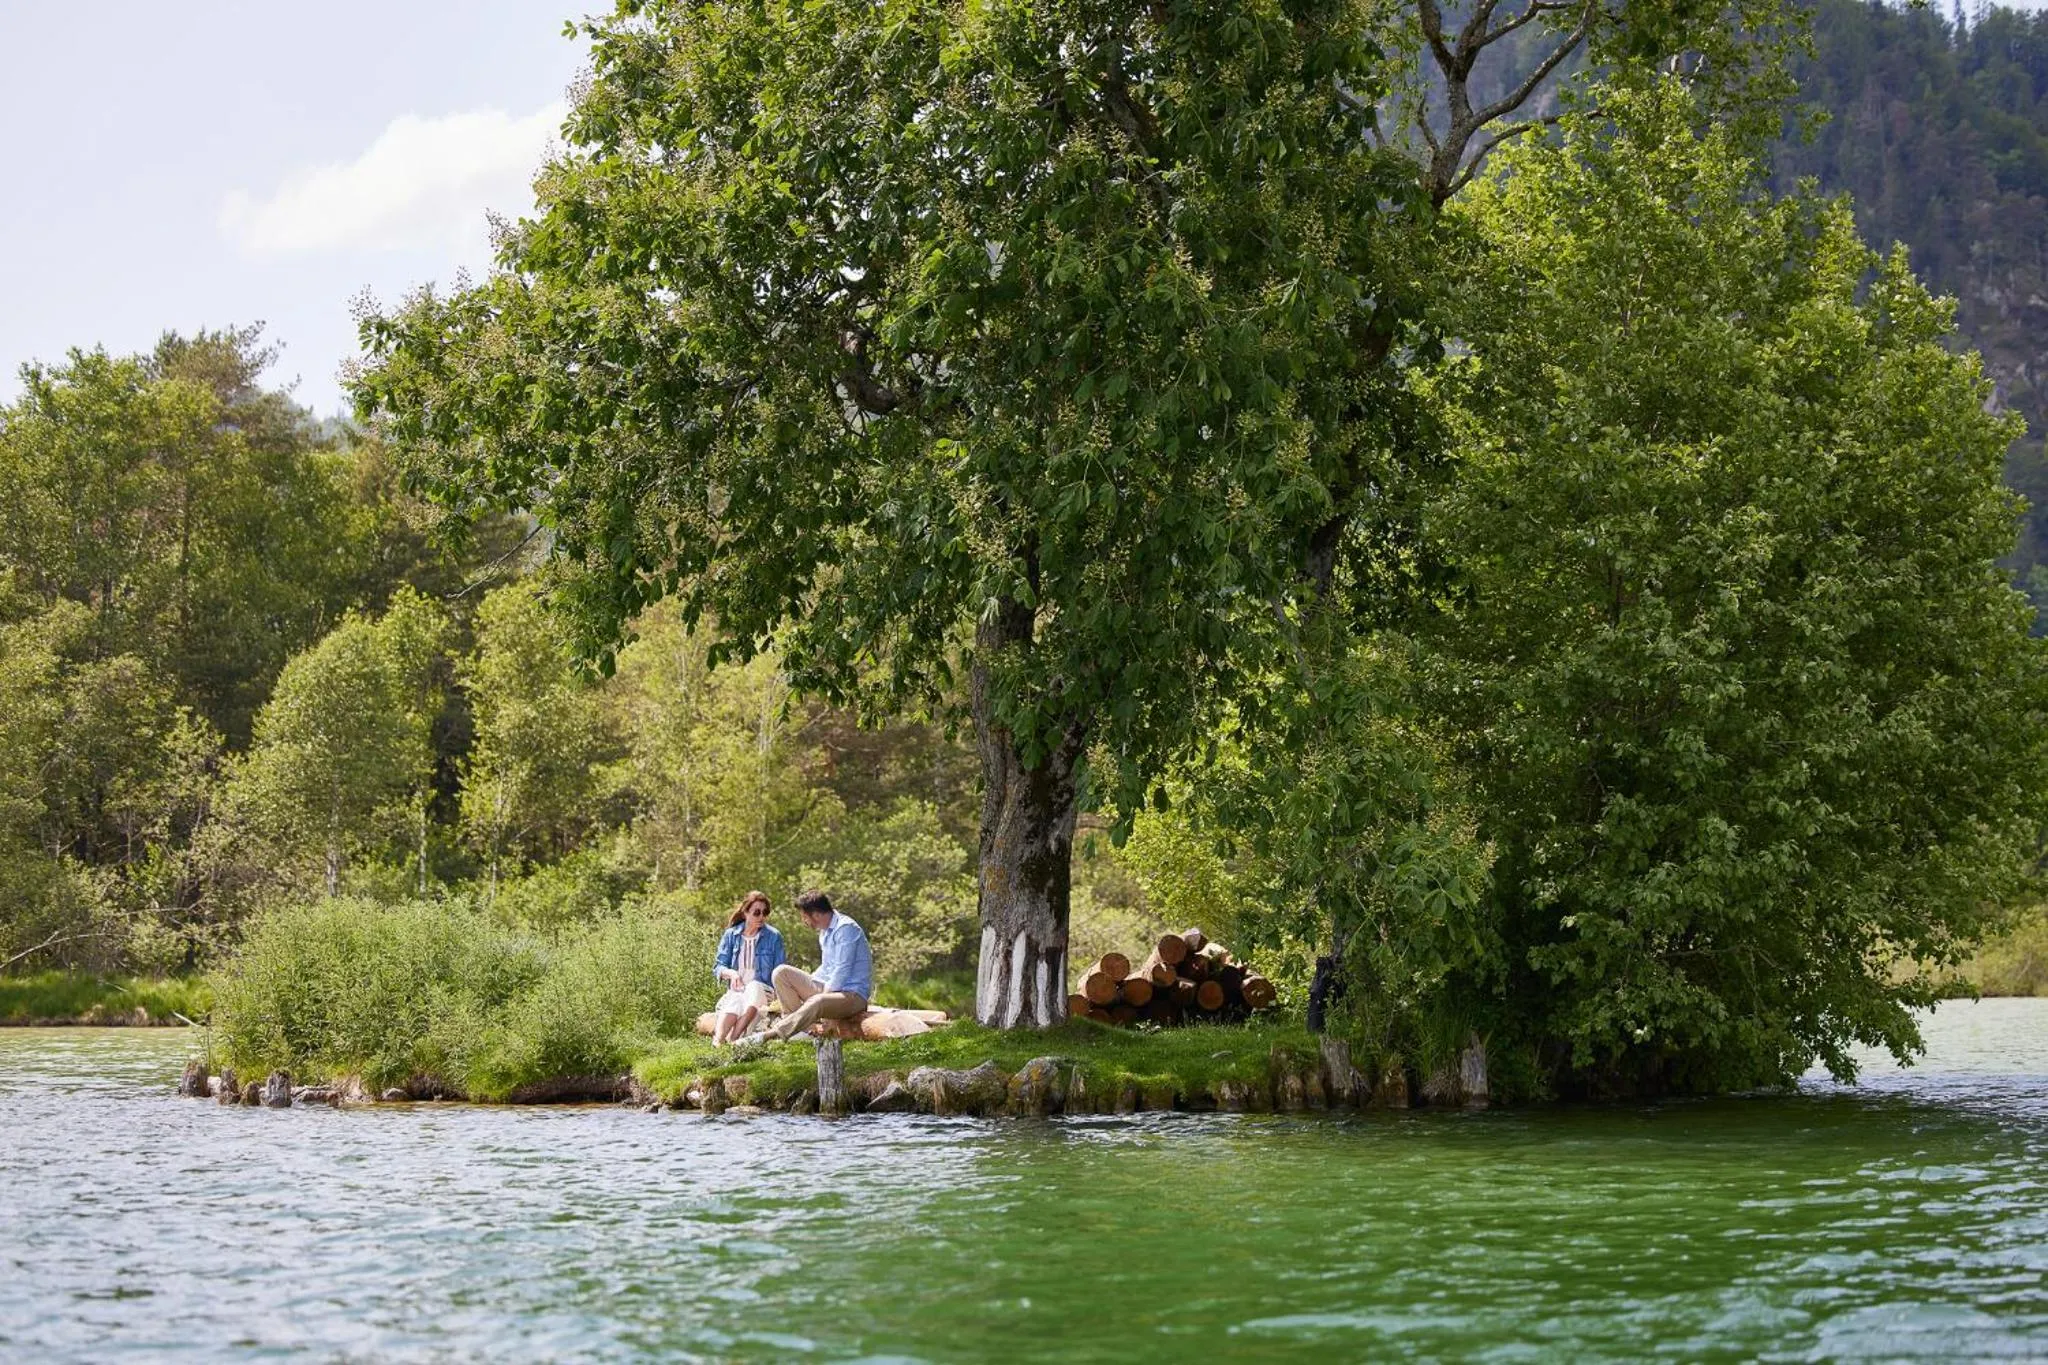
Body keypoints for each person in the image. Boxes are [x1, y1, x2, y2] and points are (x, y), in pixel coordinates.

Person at [767, 888, 871, 1041]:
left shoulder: (846, 929)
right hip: (831, 989)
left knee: (818, 1001)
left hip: (852, 996)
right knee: (781, 973)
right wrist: (808, 981)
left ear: (815, 915)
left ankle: (774, 1034)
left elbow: (842, 971)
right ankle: (803, 1030)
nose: (804, 922)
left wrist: (823, 997)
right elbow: (827, 967)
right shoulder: (825, 932)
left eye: (804, 917)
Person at [711, 891, 785, 1045]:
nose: (761, 917)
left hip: (764, 990)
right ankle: (718, 1041)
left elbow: (780, 970)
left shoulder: (774, 936)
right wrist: (732, 974)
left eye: (765, 913)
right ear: (745, 913)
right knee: (734, 998)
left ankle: (734, 1039)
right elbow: (719, 966)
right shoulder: (731, 935)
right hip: (739, 989)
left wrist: (781, 1001)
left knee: (753, 987)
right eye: (756, 913)